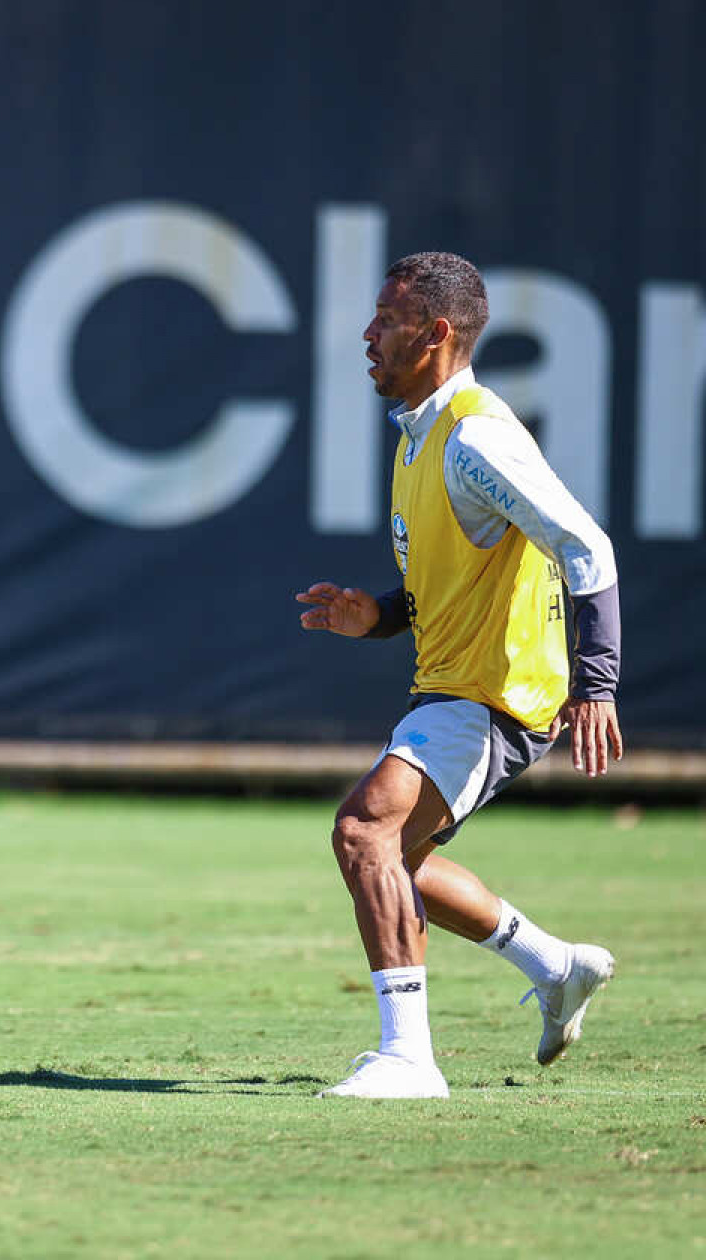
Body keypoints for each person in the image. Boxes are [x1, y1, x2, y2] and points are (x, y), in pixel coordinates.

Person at [297, 252, 624, 1099]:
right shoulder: (420, 437)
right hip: (453, 685)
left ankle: (409, 1059)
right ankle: (555, 967)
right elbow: (444, 580)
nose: (367, 335)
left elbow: (587, 546)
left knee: (363, 832)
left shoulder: (476, 433)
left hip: (494, 695)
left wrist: (598, 683)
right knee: (397, 857)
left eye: (386, 320)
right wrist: (378, 614)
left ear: (436, 333)